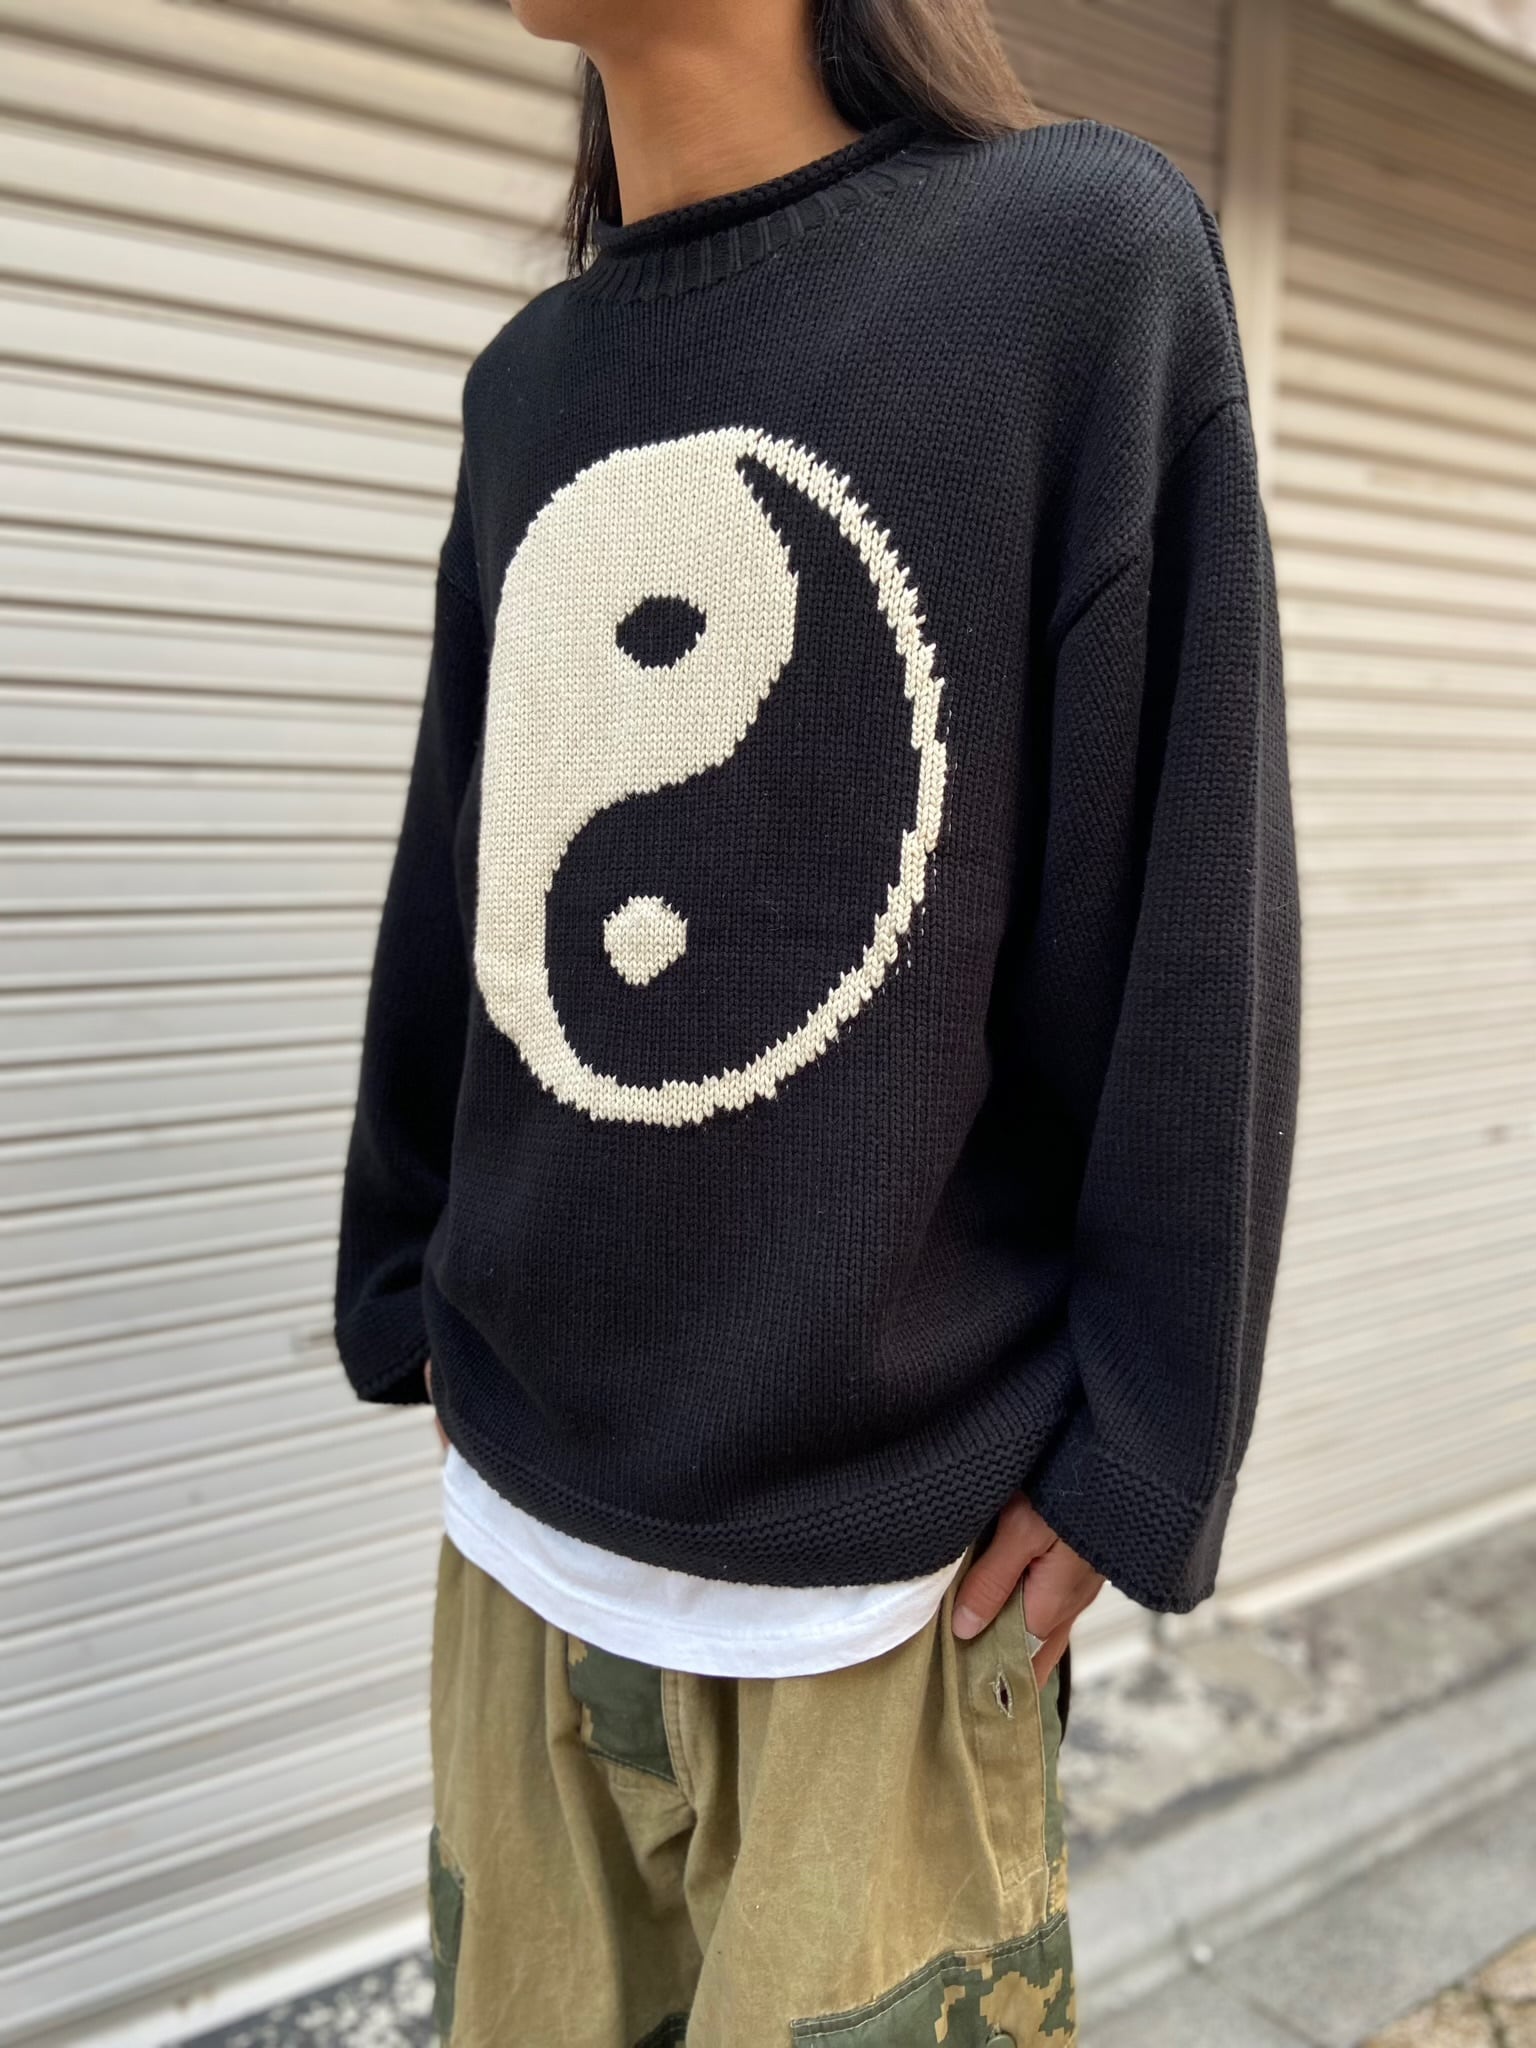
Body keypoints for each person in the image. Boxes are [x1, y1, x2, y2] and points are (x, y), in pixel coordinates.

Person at [332, 0, 1302, 2038]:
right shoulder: (534, 384)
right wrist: (404, 1268)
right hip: (516, 1558)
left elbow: (1188, 905)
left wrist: (1143, 1446)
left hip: (884, 1601)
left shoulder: (1071, 265)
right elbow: (469, 870)